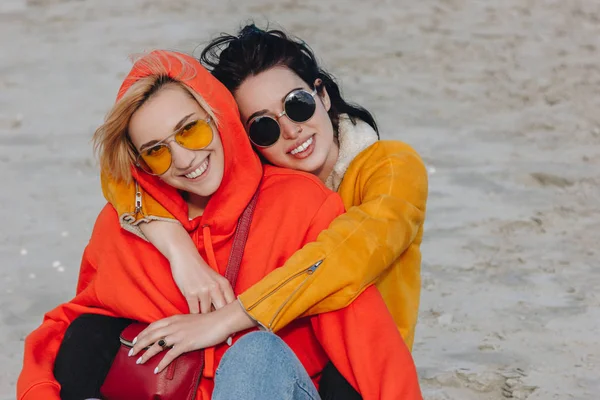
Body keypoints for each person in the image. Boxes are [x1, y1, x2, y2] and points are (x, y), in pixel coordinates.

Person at [17, 51, 421, 400]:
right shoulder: (127, 223)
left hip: (294, 384)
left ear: (219, 118)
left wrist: (225, 320)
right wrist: (178, 250)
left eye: (190, 130)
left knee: (253, 354)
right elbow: (74, 331)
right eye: (157, 151)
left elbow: (364, 332)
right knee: (89, 333)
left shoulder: (308, 200)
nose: (183, 159)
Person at [105, 24, 428, 350]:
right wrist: (181, 255)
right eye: (263, 126)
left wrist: (226, 319)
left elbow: (350, 252)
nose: (290, 130)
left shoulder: (391, 166)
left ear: (323, 94)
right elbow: (119, 173)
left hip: (365, 372)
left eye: (296, 104)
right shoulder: (257, 185)